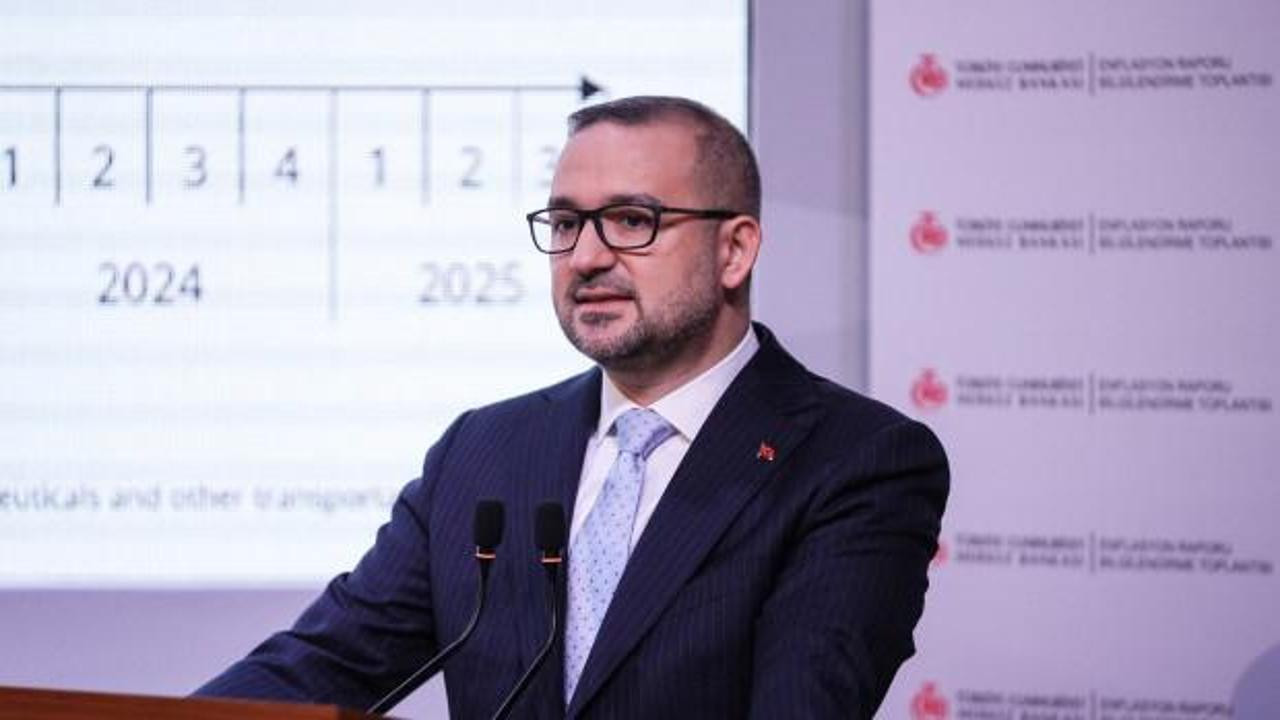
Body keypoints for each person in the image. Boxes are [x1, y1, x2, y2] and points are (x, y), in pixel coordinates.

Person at [196, 96, 949, 719]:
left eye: (631, 220)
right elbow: (324, 665)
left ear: (734, 250)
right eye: (564, 224)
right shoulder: (484, 449)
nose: (586, 257)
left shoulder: (856, 462)